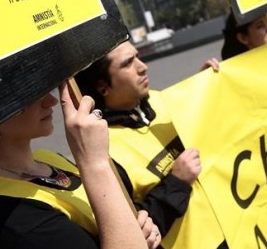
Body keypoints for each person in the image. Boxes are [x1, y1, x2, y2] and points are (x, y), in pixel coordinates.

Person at [0, 82, 157, 248]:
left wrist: (136, 232)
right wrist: (94, 163)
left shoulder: (47, 158)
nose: (50, 100)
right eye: (28, 94)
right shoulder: (0, 216)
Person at [75, 42, 226, 248]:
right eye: (128, 63)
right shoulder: (106, 151)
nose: (142, 66)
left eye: (137, 56)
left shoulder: (160, 100)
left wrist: (200, 93)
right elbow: (135, 234)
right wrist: (177, 183)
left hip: (232, 232)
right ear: (102, 86)